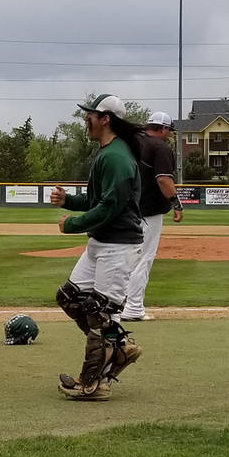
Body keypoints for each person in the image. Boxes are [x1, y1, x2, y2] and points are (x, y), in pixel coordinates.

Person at [51, 93, 145, 401]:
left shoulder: (117, 156)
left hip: (118, 246)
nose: (85, 119)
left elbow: (109, 208)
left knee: (98, 313)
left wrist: (73, 224)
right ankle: (118, 349)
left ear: (106, 119)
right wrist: (70, 201)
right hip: (102, 242)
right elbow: (95, 201)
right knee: (70, 298)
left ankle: (92, 383)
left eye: (90, 114)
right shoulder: (107, 152)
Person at [122, 111, 184, 322]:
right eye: (169, 130)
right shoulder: (160, 147)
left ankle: (116, 305)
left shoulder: (131, 141)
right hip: (148, 212)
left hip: (125, 209)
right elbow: (164, 180)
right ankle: (133, 307)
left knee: (124, 258)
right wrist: (176, 203)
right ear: (164, 129)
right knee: (143, 259)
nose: (169, 135)